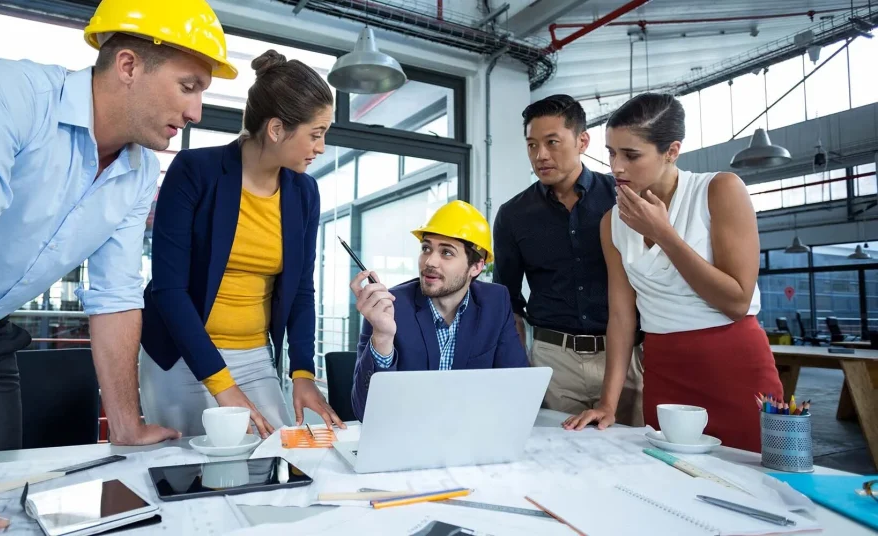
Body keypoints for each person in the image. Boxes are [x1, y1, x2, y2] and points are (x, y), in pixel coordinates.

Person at [0, 1, 236, 533]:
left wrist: (125, 425)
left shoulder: (139, 170)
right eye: (189, 86)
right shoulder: (8, 96)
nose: (196, 112)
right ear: (128, 66)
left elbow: (116, 295)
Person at [139, 49, 344, 440]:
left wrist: (302, 373)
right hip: (181, 355)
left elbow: (301, 289)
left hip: (253, 357)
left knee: (276, 454)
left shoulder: (304, 193)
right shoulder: (194, 172)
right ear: (276, 129)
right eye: (316, 134)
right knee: (187, 468)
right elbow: (169, 290)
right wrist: (221, 385)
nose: (320, 147)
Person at [563, 94, 783, 453]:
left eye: (631, 155)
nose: (616, 167)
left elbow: (737, 302)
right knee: (670, 482)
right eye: (611, 152)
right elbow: (621, 316)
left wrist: (665, 234)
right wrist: (608, 403)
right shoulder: (611, 222)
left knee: (758, 482)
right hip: (664, 367)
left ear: (672, 151)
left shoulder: (719, 190)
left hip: (733, 361)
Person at [493, 95, 644, 426]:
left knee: (631, 457)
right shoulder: (513, 215)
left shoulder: (623, 199)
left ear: (582, 141)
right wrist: (517, 372)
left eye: (552, 142)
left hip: (624, 356)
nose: (540, 155)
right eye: (532, 145)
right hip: (553, 359)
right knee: (558, 459)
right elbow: (509, 303)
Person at [349, 200, 529, 421]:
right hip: (406, 440)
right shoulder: (388, 308)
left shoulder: (495, 303)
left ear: (476, 266)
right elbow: (365, 413)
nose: (429, 261)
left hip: (470, 437)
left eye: (446, 252)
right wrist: (383, 338)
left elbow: (516, 391)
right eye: (426, 248)